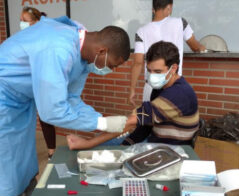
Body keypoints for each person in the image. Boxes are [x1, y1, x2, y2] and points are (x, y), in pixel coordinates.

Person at [0, 15, 131, 196]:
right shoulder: (59, 49)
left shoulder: (85, 55)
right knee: (7, 179)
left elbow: (71, 99)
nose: (111, 70)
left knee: (25, 167)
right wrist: (102, 122)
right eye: (113, 65)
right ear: (102, 51)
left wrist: (101, 120)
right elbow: (53, 111)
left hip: (20, 101)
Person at [67, 41, 199, 150]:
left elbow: (131, 122)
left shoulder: (179, 94)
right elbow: (145, 125)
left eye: (158, 71)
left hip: (169, 151)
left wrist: (87, 143)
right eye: (149, 70)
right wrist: (127, 144)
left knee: (96, 150)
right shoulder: (161, 88)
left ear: (174, 68)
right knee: (105, 146)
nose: (152, 76)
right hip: (153, 140)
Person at [129, 0, 205, 106]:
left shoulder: (141, 31)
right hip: (172, 84)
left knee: (149, 119)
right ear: (169, 8)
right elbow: (195, 46)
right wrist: (202, 47)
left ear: (153, 9)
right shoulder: (180, 23)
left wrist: (132, 90)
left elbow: (138, 63)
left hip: (151, 86)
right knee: (171, 122)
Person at [19, 6, 55, 158]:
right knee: (25, 116)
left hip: (43, 79)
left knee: (45, 116)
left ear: (36, 22)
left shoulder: (45, 36)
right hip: (26, 79)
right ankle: (25, 150)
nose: (21, 23)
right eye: (20, 20)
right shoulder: (23, 36)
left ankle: (52, 150)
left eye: (25, 21)